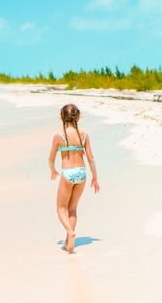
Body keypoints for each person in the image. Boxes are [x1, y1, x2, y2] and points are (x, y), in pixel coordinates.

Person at [48, 103, 100, 254]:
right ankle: (68, 243)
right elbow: (90, 158)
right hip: (82, 174)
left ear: (61, 117)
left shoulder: (59, 136)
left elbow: (50, 158)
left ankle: (70, 233)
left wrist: (53, 171)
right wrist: (95, 178)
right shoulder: (83, 136)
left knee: (60, 209)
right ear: (78, 117)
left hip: (68, 174)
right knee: (72, 209)